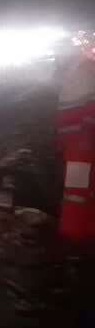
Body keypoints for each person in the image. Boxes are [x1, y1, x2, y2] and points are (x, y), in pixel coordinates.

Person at [56, 31, 95, 243]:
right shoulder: (76, 72)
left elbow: (89, 107)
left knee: (76, 191)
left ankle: (72, 235)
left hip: (81, 145)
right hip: (78, 144)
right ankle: (84, 232)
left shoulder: (85, 71)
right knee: (82, 190)